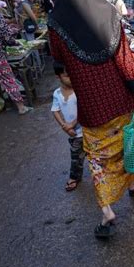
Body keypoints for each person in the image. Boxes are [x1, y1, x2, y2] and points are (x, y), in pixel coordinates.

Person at [48, 0, 134, 239]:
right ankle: (132, 182)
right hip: (119, 98)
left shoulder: (55, 22)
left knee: (98, 159)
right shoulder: (107, 11)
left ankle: (109, 211)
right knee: (123, 145)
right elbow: (125, 58)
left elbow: (57, 63)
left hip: (91, 106)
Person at [51, 62, 85, 192]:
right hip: (74, 134)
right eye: (67, 76)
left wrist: (72, 124)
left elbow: (84, 109)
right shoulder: (57, 94)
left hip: (87, 130)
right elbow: (55, 110)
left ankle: (102, 175)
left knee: (97, 156)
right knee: (75, 158)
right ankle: (74, 177)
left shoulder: (79, 90)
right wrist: (65, 127)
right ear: (58, 77)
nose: (71, 78)